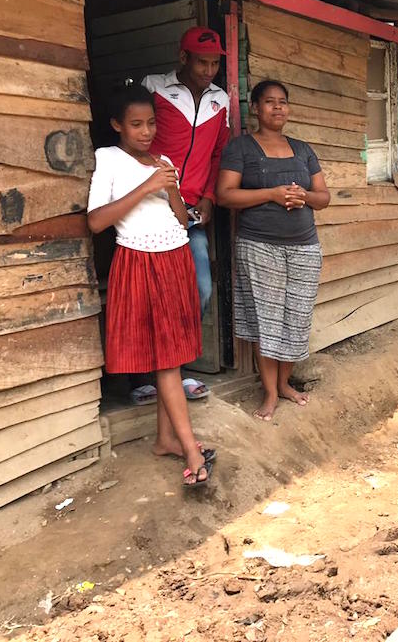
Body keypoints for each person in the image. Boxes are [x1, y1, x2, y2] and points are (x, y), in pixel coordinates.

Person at [87, 82, 215, 488]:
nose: (145, 132)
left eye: (151, 123)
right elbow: (96, 221)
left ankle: (165, 440)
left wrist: (172, 188)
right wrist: (145, 187)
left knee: (172, 354)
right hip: (140, 260)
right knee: (166, 362)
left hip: (175, 256)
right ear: (117, 125)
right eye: (136, 124)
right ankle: (191, 449)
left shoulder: (162, 160)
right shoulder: (108, 159)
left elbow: (181, 219)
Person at [216, 80, 331, 421]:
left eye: (282, 102)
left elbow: (323, 197)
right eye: (269, 102)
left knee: (295, 319)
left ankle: (284, 385)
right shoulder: (241, 149)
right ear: (255, 107)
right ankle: (269, 393)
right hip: (259, 246)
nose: (277, 108)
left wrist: (303, 197)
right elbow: (225, 195)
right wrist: (270, 194)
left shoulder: (303, 149)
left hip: (304, 246)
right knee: (266, 322)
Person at [134, 26, 230, 404]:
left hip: (191, 213)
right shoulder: (154, 87)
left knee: (199, 290)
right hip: (149, 208)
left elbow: (218, 153)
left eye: (215, 64)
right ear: (183, 57)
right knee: (148, 295)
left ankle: (179, 371)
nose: (209, 70)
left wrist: (208, 198)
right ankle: (143, 376)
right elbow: (132, 142)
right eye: (202, 62)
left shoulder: (220, 99)